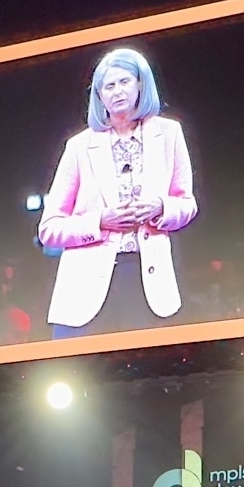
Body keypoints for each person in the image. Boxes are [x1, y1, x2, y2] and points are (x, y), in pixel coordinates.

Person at [38, 48, 197, 338]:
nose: (117, 92)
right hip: (85, 288)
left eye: (124, 82)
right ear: (98, 96)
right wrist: (100, 221)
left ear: (141, 85)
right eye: (108, 86)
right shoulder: (79, 146)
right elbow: (49, 229)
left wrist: (161, 208)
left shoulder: (169, 134)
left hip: (148, 283)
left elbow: (187, 204)